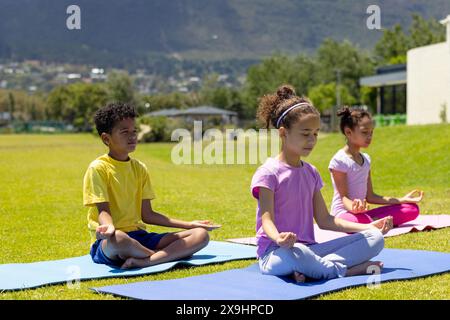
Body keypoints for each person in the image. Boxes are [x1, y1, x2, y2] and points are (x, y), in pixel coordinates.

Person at [251, 85, 393, 282]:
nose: (312, 140)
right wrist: (278, 238)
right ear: (283, 133)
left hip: (310, 250)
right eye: (305, 133)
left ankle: (313, 270)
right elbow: (267, 221)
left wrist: (369, 227)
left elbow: (325, 220)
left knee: (375, 240)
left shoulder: (311, 172)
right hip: (276, 253)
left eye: (316, 134)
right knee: (298, 252)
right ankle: (346, 270)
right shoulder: (268, 173)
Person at [83, 102, 216, 269]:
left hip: (140, 237)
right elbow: (103, 211)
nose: (132, 136)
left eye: (134, 131)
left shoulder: (139, 168)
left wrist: (190, 224)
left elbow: (148, 215)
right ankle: (159, 256)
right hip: (109, 241)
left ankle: (146, 260)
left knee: (201, 235)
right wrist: (108, 228)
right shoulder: (98, 168)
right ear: (106, 139)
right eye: (124, 132)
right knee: (121, 239)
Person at [328, 106, 423, 226]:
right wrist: (354, 208)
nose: (369, 136)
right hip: (343, 215)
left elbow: (371, 196)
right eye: (364, 132)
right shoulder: (339, 161)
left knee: (411, 209)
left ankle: (372, 223)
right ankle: (371, 223)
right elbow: (344, 198)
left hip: (362, 213)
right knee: (363, 220)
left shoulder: (366, 159)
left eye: (371, 132)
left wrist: (402, 199)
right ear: (348, 132)